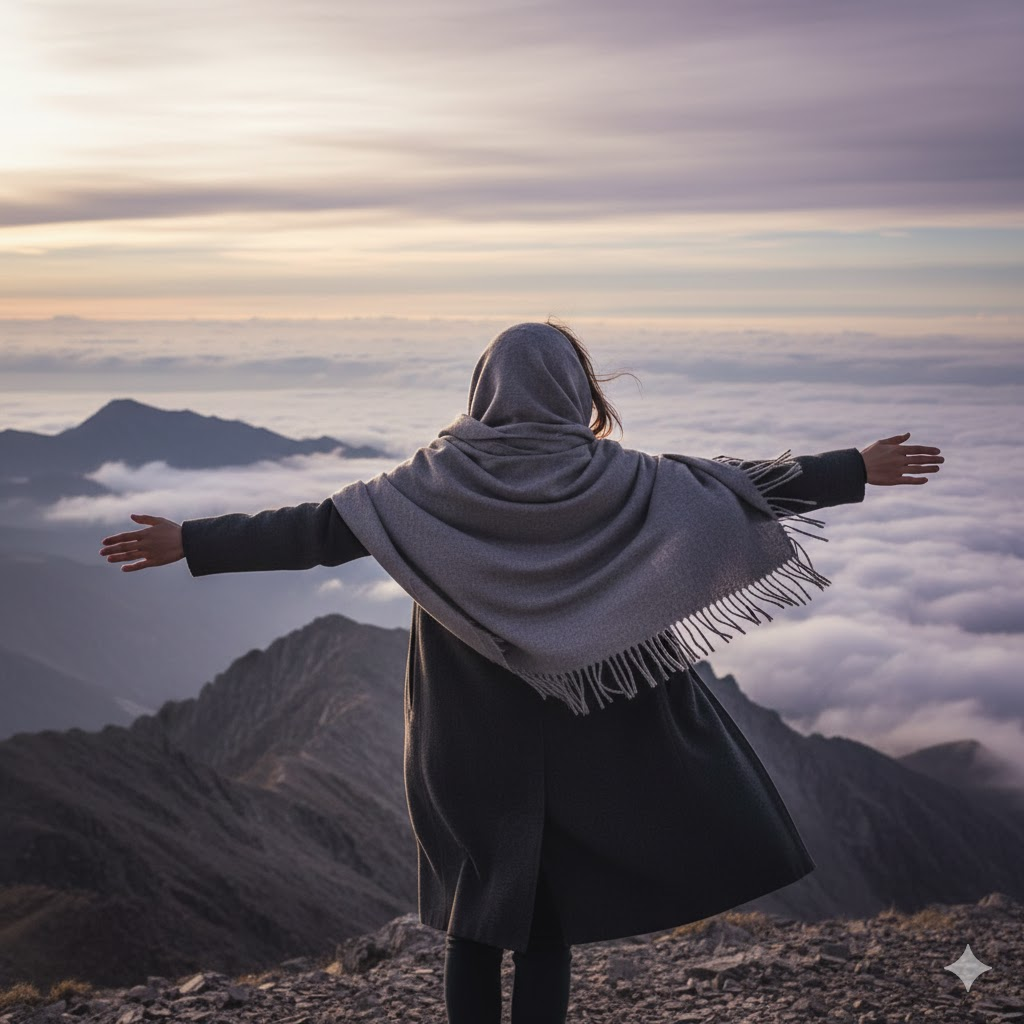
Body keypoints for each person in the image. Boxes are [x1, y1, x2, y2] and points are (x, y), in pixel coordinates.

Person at [99, 320, 943, 1024]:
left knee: (475, 909)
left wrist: (192, 541)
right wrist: (855, 466)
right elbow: (734, 486)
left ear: (483, 390)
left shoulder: (425, 486)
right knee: (547, 923)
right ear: (578, 394)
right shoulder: (624, 481)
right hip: (585, 723)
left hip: (463, 730)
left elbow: (317, 531)